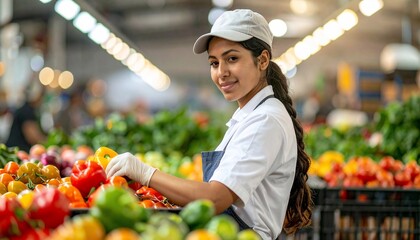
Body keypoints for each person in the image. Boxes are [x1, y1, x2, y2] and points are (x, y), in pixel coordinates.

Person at [106, 9, 313, 239]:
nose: (221, 72)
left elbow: (216, 199)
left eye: (232, 58)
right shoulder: (250, 116)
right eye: (214, 63)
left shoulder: (264, 120)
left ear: (262, 60)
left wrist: (146, 173)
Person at [6, 81, 46, 152]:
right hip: (16, 150)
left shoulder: (25, 108)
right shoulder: (27, 111)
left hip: (15, 149)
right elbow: (32, 136)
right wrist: (46, 143)